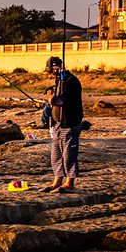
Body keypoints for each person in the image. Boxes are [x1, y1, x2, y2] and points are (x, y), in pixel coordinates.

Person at [44, 55, 83, 193]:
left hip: (70, 123)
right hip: (58, 124)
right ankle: (57, 181)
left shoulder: (70, 81)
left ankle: (69, 183)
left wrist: (51, 99)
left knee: (69, 154)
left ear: (55, 69)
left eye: (49, 71)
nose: (48, 75)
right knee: (56, 154)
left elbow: (62, 100)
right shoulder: (59, 81)